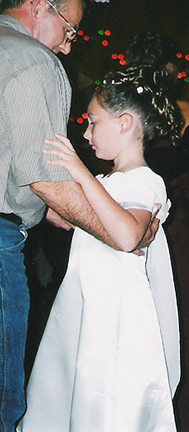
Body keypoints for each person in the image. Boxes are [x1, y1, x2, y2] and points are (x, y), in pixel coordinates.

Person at [0, 1, 159, 431]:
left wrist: (56, 212)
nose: (68, 46)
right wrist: (124, 233)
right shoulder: (30, 57)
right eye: (70, 31)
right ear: (41, 7)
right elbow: (48, 181)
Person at [17, 65, 181, 432]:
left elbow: (125, 237)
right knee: (67, 396)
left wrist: (80, 171)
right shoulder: (108, 181)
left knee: (104, 403)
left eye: (93, 123)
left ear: (125, 124)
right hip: (84, 305)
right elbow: (75, 221)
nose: (87, 133)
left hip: (115, 318)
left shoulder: (145, 180)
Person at [126, 32, 189, 431]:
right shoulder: (180, 109)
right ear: (169, 68)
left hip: (138, 221)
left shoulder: (127, 113)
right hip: (175, 224)